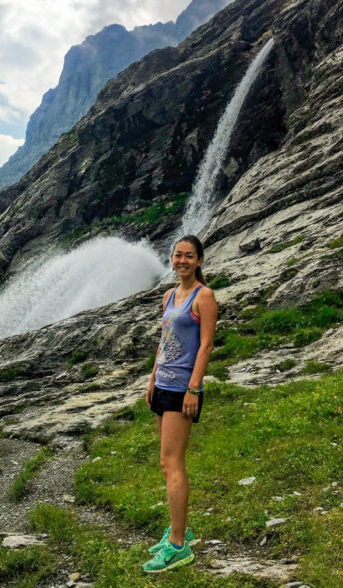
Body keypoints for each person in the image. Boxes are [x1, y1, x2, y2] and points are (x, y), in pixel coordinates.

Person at [142, 234, 217, 573]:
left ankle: (178, 545)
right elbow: (165, 340)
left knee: (173, 462)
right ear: (171, 259)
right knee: (165, 462)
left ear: (199, 260)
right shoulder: (169, 295)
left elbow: (205, 346)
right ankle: (178, 529)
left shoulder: (205, 296)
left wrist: (194, 389)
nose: (182, 261)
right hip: (163, 384)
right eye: (177, 255)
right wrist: (152, 378)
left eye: (189, 256)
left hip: (182, 388)